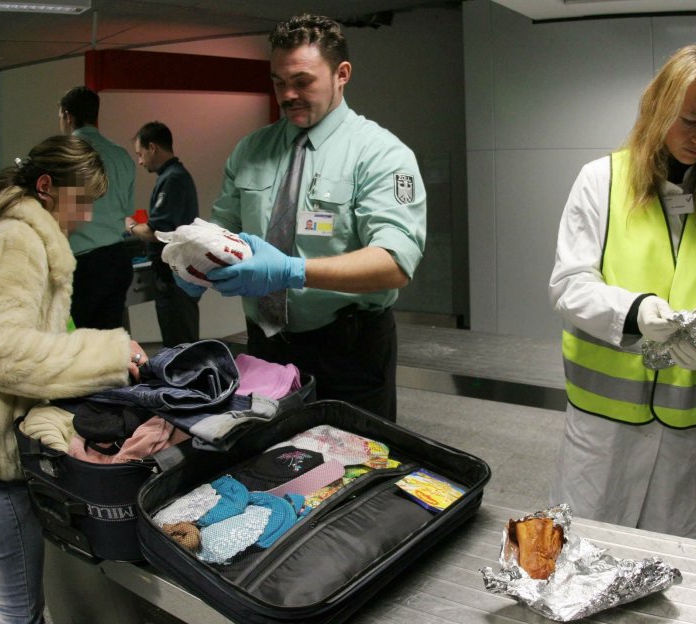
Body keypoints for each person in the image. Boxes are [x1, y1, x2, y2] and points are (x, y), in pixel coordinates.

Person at [0, 134, 147, 624]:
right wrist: (109, 356)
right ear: (47, 187)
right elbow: (3, 354)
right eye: (82, 200)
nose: (87, 215)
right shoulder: (17, 240)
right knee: (22, 616)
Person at [547, 45, 696, 540]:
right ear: (658, 108)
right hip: (604, 423)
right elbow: (568, 284)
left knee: (672, 556)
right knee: (587, 547)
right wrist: (636, 311)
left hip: (684, 422)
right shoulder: (601, 180)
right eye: (689, 121)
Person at [199, 13, 426, 421]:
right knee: (270, 462)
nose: (287, 94)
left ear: (342, 74)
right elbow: (223, 231)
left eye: (302, 81)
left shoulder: (381, 154)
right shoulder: (251, 150)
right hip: (266, 343)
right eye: (277, 81)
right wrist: (196, 260)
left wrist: (292, 271)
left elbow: (394, 263)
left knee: (354, 463)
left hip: (348, 349)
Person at [58, 86, 136, 330]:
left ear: (68, 116)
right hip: (117, 261)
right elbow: (127, 210)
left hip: (82, 266)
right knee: (109, 345)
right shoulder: (121, 155)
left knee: (75, 344)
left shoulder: (64, 154)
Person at [128, 121, 201, 347]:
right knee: (178, 341)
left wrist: (130, 226)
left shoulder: (173, 179)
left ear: (153, 148)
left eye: (141, 154)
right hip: (174, 277)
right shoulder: (171, 177)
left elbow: (155, 231)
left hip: (174, 279)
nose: (140, 161)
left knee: (179, 345)